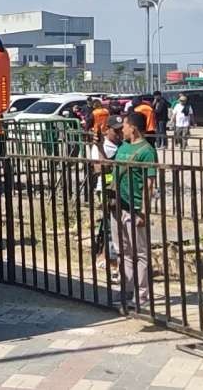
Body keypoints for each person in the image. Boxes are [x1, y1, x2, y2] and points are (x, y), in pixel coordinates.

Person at [111, 113, 156, 308]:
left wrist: (143, 212)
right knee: (123, 251)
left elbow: (149, 184)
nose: (123, 129)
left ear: (134, 128)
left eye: (126, 126)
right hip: (117, 205)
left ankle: (142, 295)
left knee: (140, 253)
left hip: (134, 207)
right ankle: (128, 290)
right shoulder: (123, 146)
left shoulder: (147, 151)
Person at [91, 115, 124, 282]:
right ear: (107, 130)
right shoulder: (100, 146)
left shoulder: (123, 145)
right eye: (115, 130)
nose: (118, 134)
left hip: (121, 189)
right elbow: (99, 168)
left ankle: (108, 257)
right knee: (110, 227)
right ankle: (112, 263)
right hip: (105, 190)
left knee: (115, 227)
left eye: (120, 130)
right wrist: (100, 149)